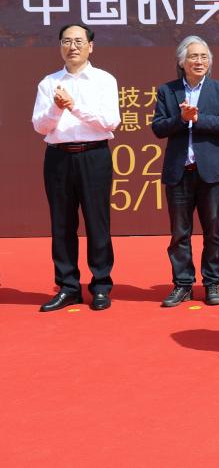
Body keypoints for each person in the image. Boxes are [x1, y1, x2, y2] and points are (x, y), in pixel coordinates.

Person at [32, 24, 120, 312]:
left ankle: (101, 285)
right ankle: (68, 286)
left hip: (94, 156)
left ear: (90, 46)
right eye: (67, 41)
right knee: (61, 224)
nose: (73, 46)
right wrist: (57, 107)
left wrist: (73, 106)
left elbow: (110, 122)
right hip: (58, 158)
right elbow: (39, 126)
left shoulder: (104, 80)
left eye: (79, 41)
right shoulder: (49, 83)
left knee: (97, 222)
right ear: (60, 46)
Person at [152, 36, 219, 307]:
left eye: (203, 57)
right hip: (179, 172)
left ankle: (212, 283)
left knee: (213, 231)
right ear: (182, 62)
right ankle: (183, 284)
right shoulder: (168, 91)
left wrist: (198, 119)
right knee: (180, 233)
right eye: (193, 56)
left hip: (211, 172)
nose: (199, 61)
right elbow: (158, 128)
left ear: (209, 61)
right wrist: (181, 119)